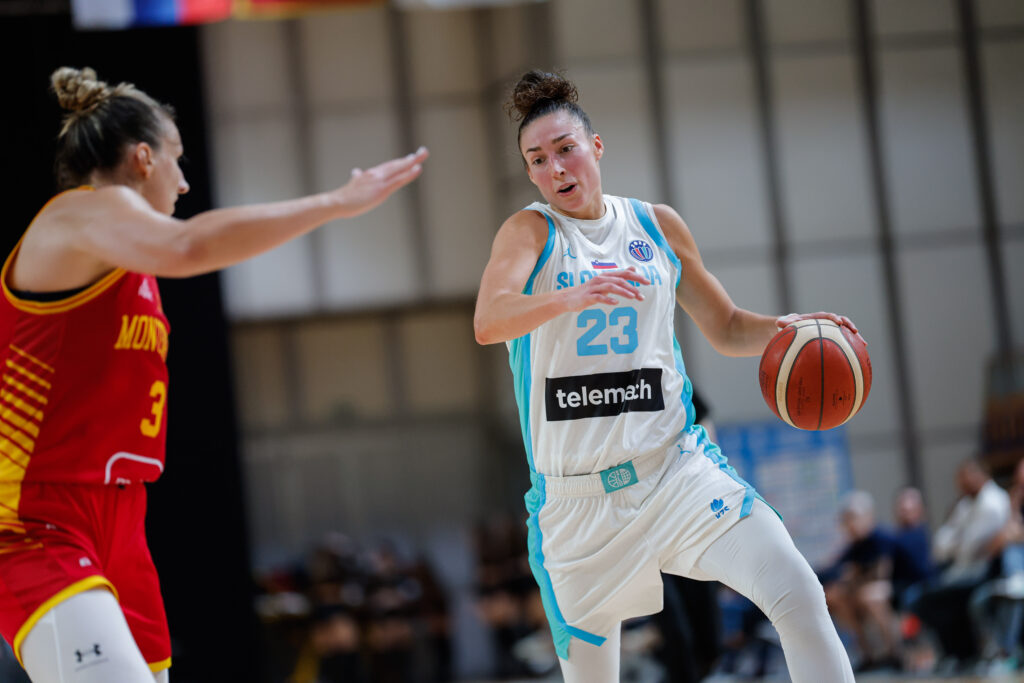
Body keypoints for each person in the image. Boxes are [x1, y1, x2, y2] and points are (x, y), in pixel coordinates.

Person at [0, 66, 427, 683]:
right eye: (176, 158)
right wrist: (336, 202)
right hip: (37, 516)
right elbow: (189, 247)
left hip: (120, 517)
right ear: (143, 158)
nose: (183, 181)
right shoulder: (79, 214)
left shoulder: (127, 265)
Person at [473, 69, 859, 683]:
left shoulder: (655, 226)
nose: (555, 168)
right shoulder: (531, 232)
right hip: (577, 507)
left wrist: (790, 329)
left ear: (596, 147)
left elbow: (726, 325)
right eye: (538, 160)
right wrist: (571, 297)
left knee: (797, 591)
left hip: (675, 473)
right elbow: (489, 320)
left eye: (566, 149)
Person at [907, 458, 1010, 664]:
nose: (962, 483)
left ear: (982, 474)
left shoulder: (993, 503)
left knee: (931, 600)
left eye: (967, 477)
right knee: (920, 597)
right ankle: (957, 654)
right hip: (962, 570)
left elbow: (968, 548)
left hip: (986, 572)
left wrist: (958, 542)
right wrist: (958, 543)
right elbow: (940, 546)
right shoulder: (965, 504)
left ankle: (963, 654)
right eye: (960, 479)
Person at [821, 491, 901, 671]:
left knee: (869, 595)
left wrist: (853, 579)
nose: (850, 524)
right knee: (833, 596)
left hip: (899, 587)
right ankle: (867, 654)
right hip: (865, 592)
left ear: (868, 516)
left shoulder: (882, 538)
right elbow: (835, 570)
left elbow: (882, 575)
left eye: (853, 517)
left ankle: (895, 654)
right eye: (846, 520)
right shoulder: (855, 545)